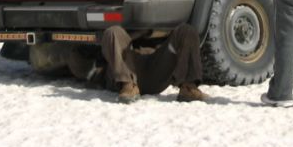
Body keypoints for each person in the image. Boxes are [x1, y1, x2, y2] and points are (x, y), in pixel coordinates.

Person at [68, 24, 209, 103]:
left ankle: (188, 87)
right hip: (128, 73)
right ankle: (128, 86)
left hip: (156, 67)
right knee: (112, 32)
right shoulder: (98, 71)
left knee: (187, 31)